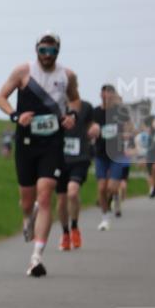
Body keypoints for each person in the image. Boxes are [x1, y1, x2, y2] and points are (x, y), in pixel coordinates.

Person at [0, 32, 80, 277]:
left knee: (45, 197)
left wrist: (71, 116)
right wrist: (15, 115)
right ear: (36, 50)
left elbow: (75, 100)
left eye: (52, 51)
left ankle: (36, 257)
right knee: (27, 199)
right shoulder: (23, 72)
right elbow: (0, 97)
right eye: (43, 50)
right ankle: (26, 218)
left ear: (58, 52)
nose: (47, 56)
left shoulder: (67, 75)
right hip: (26, 141)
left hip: (52, 142)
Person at [56, 98, 98, 251]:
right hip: (59, 159)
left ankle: (74, 227)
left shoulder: (86, 107)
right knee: (61, 200)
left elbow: (92, 123)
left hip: (80, 158)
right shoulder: (55, 105)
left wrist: (95, 128)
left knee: (72, 193)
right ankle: (65, 233)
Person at [92, 85, 132, 229]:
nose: (107, 96)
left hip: (117, 154)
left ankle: (113, 198)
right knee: (102, 187)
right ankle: (105, 217)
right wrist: (91, 132)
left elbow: (129, 127)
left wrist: (127, 134)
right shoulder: (95, 112)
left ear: (113, 96)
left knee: (112, 187)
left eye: (110, 93)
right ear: (100, 95)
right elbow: (89, 128)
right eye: (104, 93)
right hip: (101, 154)